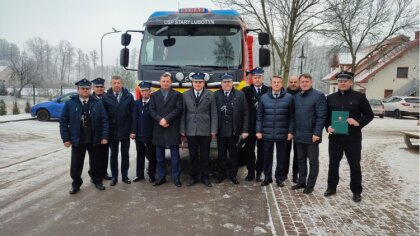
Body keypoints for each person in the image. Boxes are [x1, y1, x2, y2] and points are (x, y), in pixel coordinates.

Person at [324, 71, 374, 202]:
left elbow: (369, 115)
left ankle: (356, 191)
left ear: (351, 82)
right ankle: (331, 187)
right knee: (333, 164)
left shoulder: (359, 97)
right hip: (335, 138)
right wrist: (327, 126)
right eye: (340, 81)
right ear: (337, 83)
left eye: (345, 81)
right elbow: (326, 117)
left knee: (354, 165)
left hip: (353, 139)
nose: (343, 83)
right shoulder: (330, 98)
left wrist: (358, 122)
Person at [59, 78, 109, 194]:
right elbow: (63, 122)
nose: (85, 90)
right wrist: (65, 139)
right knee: (76, 164)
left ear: (90, 89)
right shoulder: (70, 104)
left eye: (87, 88)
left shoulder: (97, 103)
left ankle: (97, 181)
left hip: (94, 139)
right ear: (78, 90)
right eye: (83, 88)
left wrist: (104, 136)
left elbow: (104, 120)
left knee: (96, 163)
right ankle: (76, 184)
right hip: (78, 140)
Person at [291, 73, 327, 194]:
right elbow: (294, 116)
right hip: (299, 135)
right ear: (299, 83)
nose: (304, 83)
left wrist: (317, 133)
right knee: (300, 160)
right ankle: (301, 182)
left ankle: (310, 185)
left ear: (311, 82)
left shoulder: (318, 96)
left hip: (312, 136)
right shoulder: (296, 97)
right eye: (302, 82)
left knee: (312, 161)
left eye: (307, 81)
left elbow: (321, 116)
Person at [180, 72, 217, 187]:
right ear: (192, 83)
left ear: (204, 83)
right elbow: (183, 114)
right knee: (193, 155)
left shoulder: (210, 95)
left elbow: (214, 114)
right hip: (191, 129)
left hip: (205, 129)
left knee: (205, 155)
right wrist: (182, 129)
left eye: (200, 82)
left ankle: (205, 177)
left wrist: (213, 130)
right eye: (196, 82)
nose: (198, 84)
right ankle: (193, 177)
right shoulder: (185, 95)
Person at [256, 75, 294, 187]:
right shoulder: (263, 98)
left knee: (281, 157)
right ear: (271, 84)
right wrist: (258, 130)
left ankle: (279, 178)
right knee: (267, 156)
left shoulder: (289, 98)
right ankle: (267, 177)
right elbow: (259, 116)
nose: (276, 84)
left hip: (283, 133)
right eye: (274, 82)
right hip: (267, 133)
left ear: (282, 84)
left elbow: (292, 117)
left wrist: (290, 132)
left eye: (278, 82)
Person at [149, 72, 183, 187]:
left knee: (175, 157)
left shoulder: (177, 95)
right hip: (159, 129)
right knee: (159, 157)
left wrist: (166, 119)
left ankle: (176, 178)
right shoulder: (154, 95)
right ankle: (161, 177)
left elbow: (178, 109)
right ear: (160, 82)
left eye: (167, 81)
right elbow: (151, 110)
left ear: (171, 82)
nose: (165, 83)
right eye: (163, 81)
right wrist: (160, 120)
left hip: (172, 128)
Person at [214, 73, 249, 185]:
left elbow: (245, 113)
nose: (227, 84)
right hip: (221, 131)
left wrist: (245, 130)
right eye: (224, 82)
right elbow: (212, 113)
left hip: (234, 131)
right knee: (221, 155)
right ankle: (221, 174)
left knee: (234, 156)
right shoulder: (216, 95)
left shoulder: (240, 95)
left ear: (232, 83)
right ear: (221, 84)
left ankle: (233, 175)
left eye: (229, 82)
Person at [102, 75, 136, 186]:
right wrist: (105, 133)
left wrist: (133, 131)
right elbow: (104, 117)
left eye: (118, 83)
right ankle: (115, 177)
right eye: (114, 83)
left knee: (125, 155)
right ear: (111, 84)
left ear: (122, 84)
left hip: (125, 132)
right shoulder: (106, 97)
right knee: (113, 155)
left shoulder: (129, 96)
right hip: (112, 132)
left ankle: (125, 176)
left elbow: (133, 115)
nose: (117, 85)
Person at [242, 67, 269, 182]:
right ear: (252, 78)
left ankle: (259, 172)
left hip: (263, 126)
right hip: (250, 125)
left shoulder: (268, 90)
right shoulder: (245, 90)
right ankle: (250, 172)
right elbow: (244, 110)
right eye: (255, 77)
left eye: (259, 77)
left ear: (263, 78)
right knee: (249, 150)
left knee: (262, 151)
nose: (257, 80)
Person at [133, 81, 157, 183]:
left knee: (152, 156)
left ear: (150, 91)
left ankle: (152, 175)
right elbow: (134, 119)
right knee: (140, 155)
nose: (144, 93)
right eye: (142, 91)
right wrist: (133, 131)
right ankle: (139, 175)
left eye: (146, 91)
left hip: (151, 134)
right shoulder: (136, 103)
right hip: (139, 134)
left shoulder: (154, 103)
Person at [89, 77, 113, 181]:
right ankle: (93, 174)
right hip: (92, 132)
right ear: (93, 88)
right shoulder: (89, 99)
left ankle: (104, 172)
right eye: (97, 87)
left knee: (104, 154)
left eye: (101, 87)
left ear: (104, 87)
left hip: (105, 131)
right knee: (94, 156)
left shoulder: (108, 98)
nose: (99, 88)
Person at [285, 75, 300, 183]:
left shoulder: (302, 94)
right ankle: (284, 173)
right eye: (291, 82)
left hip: (299, 127)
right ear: (288, 83)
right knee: (285, 152)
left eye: (295, 82)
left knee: (298, 153)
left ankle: (295, 174)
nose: (293, 84)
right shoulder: (284, 94)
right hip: (286, 128)